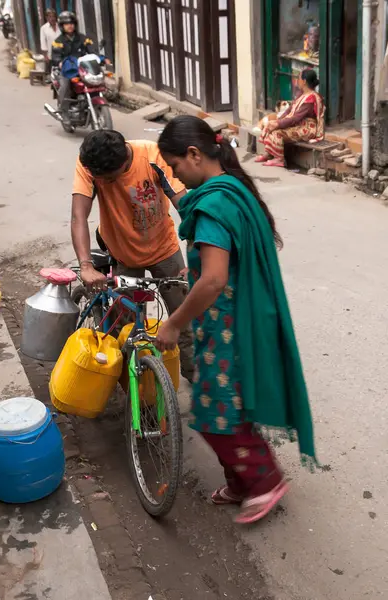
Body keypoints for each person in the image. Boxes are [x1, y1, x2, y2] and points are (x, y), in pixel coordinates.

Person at [155, 116, 316, 524]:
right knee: (230, 407)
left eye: (175, 167)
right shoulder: (233, 189)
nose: (175, 175)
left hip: (228, 326)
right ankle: (242, 481)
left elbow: (212, 280)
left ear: (194, 155)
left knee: (214, 414)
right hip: (241, 317)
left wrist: (173, 322)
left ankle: (264, 480)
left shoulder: (211, 206)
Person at [71, 129, 194, 382]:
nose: (102, 183)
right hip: (122, 254)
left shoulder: (152, 156)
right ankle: (131, 385)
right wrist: (85, 265)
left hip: (164, 249)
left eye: (108, 179)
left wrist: (195, 260)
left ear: (123, 163)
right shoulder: (90, 165)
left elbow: (188, 210)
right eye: (99, 179)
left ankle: (195, 376)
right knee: (127, 327)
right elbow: (78, 216)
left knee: (184, 319)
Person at [256, 69, 325, 168]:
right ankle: (269, 154)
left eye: (299, 78)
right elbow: (289, 111)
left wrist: (279, 124)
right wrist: (277, 121)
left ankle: (279, 159)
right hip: (298, 125)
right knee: (270, 126)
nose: (298, 81)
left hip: (307, 129)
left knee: (277, 132)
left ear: (304, 81)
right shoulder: (302, 95)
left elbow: (296, 118)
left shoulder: (311, 98)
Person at [51, 11, 95, 124]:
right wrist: (60, 62)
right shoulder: (58, 42)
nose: (70, 26)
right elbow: (55, 57)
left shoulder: (83, 39)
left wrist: (99, 58)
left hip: (82, 69)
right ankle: (64, 111)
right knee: (65, 84)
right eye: (66, 24)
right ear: (62, 26)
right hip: (67, 71)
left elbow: (92, 51)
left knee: (95, 81)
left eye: (71, 23)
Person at [40, 8, 60, 77]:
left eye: (53, 16)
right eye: (50, 17)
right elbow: (43, 43)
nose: (52, 18)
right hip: (51, 55)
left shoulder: (60, 26)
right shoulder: (44, 28)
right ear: (46, 18)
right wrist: (45, 56)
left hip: (63, 53)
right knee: (54, 74)